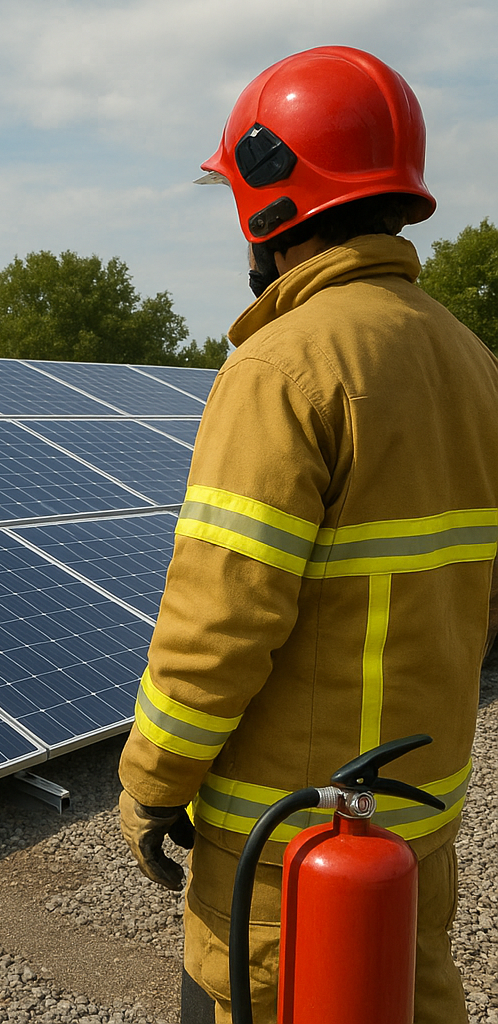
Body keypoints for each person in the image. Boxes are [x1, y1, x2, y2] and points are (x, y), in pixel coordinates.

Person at [118, 45, 498, 1024]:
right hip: (416, 823)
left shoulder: (284, 366)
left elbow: (219, 619)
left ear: (271, 198)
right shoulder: (470, 361)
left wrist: (152, 782)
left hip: (290, 852)